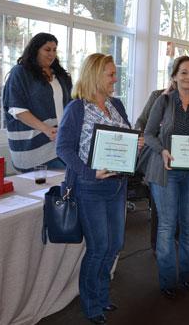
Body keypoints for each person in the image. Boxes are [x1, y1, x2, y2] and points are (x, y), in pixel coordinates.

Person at [56, 53, 143, 324]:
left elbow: (125, 135)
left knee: (114, 244)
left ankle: (103, 296)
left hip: (117, 186)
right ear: (95, 75)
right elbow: (63, 149)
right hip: (89, 187)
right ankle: (91, 304)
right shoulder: (77, 108)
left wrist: (135, 144)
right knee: (98, 247)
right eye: (110, 74)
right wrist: (90, 172)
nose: (115, 79)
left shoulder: (115, 104)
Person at [144, 55, 189, 299]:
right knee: (165, 226)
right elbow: (149, 133)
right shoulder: (163, 101)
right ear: (174, 76)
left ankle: (188, 276)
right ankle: (167, 280)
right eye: (184, 72)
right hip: (166, 173)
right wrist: (162, 150)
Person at [3, 32, 72, 172]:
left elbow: (70, 106)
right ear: (35, 50)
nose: (51, 54)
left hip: (59, 143)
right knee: (46, 188)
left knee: (66, 184)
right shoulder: (20, 72)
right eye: (47, 50)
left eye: (54, 50)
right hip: (32, 147)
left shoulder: (59, 75)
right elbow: (17, 110)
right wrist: (47, 129)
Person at [135, 80, 176, 253]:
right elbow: (141, 121)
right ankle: (157, 245)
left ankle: (175, 238)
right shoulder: (157, 95)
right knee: (159, 205)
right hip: (156, 156)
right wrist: (140, 136)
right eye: (179, 74)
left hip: (181, 158)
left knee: (179, 203)